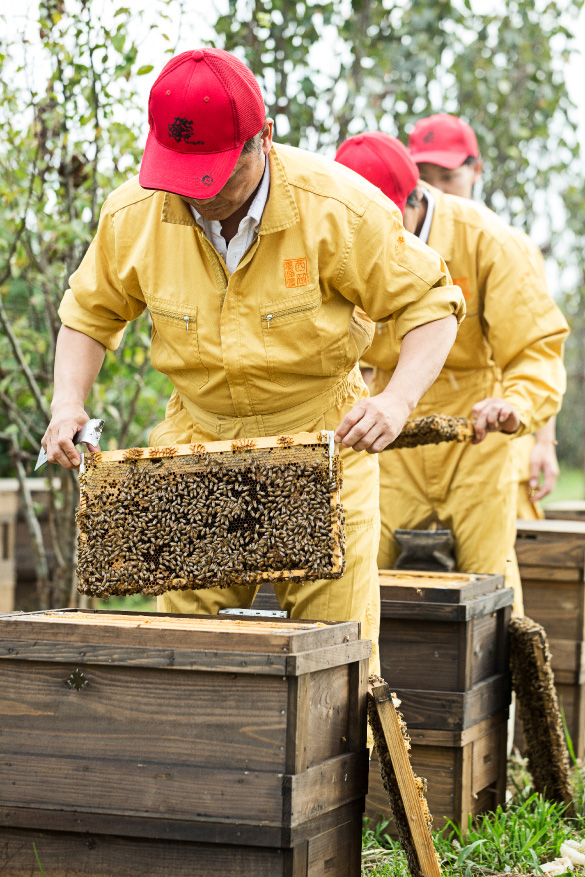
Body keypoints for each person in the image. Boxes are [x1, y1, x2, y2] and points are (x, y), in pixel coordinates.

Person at [42, 49, 465, 675]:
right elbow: (89, 313)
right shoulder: (133, 213)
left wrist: (396, 399)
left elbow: (430, 301)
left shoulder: (339, 206)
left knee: (338, 662)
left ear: (261, 141)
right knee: (184, 662)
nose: (197, 194)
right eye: (181, 174)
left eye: (212, 175)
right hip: (197, 441)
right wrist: (66, 401)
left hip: (323, 440)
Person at [335, 132, 568, 612]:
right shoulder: (335, 238)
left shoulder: (489, 239)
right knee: (362, 571)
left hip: (477, 427)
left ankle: (506, 687)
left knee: (489, 581)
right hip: (386, 420)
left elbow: (535, 346)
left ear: (413, 198)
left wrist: (517, 406)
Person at [408, 113, 559, 519]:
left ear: (476, 171)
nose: (435, 190)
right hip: (407, 428)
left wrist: (544, 443)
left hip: (486, 422)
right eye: (423, 177)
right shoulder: (394, 243)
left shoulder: (507, 245)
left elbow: (534, 348)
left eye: (447, 176)